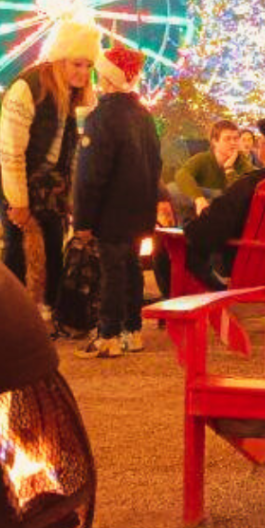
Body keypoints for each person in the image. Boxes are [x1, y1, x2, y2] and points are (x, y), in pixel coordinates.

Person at [0, 19, 99, 319]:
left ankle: (48, 306)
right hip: (9, 170)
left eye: (88, 66)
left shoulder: (72, 94)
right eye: (77, 64)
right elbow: (10, 151)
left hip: (46, 178)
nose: (83, 73)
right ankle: (10, 311)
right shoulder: (27, 88)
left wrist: (69, 196)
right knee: (17, 237)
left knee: (54, 233)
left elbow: (69, 151)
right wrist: (18, 201)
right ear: (60, 58)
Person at [71, 45, 161, 359]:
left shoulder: (102, 117)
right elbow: (156, 166)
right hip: (139, 211)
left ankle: (107, 334)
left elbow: (90, 176)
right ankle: (132, 330)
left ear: (107, 79)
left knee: (110, 270)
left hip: (110, 212)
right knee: (132, 269)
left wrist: (82, 220)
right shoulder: (144, 117)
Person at [184, 114, 265, 289]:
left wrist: (188, 224)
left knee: (182, 247)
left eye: (260, 142)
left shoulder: (252, 185)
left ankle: (220, 297)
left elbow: (204, 232)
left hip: (257, 279)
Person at [169, 119, 252, 223]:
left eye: (235, 139)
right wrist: (198, 198)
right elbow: (182, 175)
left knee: (225, 197)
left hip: (229, 209)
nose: (233, 143)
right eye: (227, 139)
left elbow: (239, 194)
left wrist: (229, 169)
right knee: (173, 189)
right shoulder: (203, 159)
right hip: (205, 205)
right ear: (215, 141)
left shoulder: (242, 162)